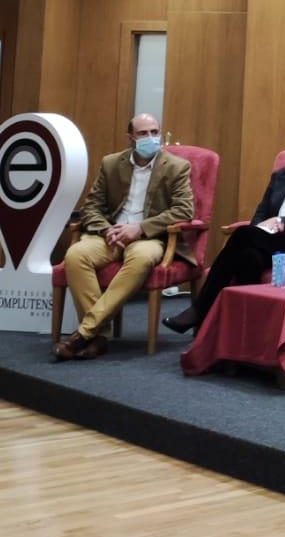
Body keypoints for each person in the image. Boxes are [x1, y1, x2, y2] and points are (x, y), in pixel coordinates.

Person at [165, 123, 285, 336]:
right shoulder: (280, 177)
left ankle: (199, 311)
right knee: (248, 257)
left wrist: (284, 222)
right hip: (271, 241)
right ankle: (245, 335)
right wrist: (262, 227)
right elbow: (261, 213)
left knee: (243, 235)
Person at [54, 112, 194, 360]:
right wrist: (107, 229)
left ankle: (85, 332)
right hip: (112, 234)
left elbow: (184, 210)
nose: (150, 138)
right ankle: (99, 335)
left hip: (149, 237)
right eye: (143, 133)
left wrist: (139, 228)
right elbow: (92, 207)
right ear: (130, 137)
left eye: (154, 132)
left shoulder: (176, 167)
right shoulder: (111, 163)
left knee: (141, 258)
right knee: (76, 255)